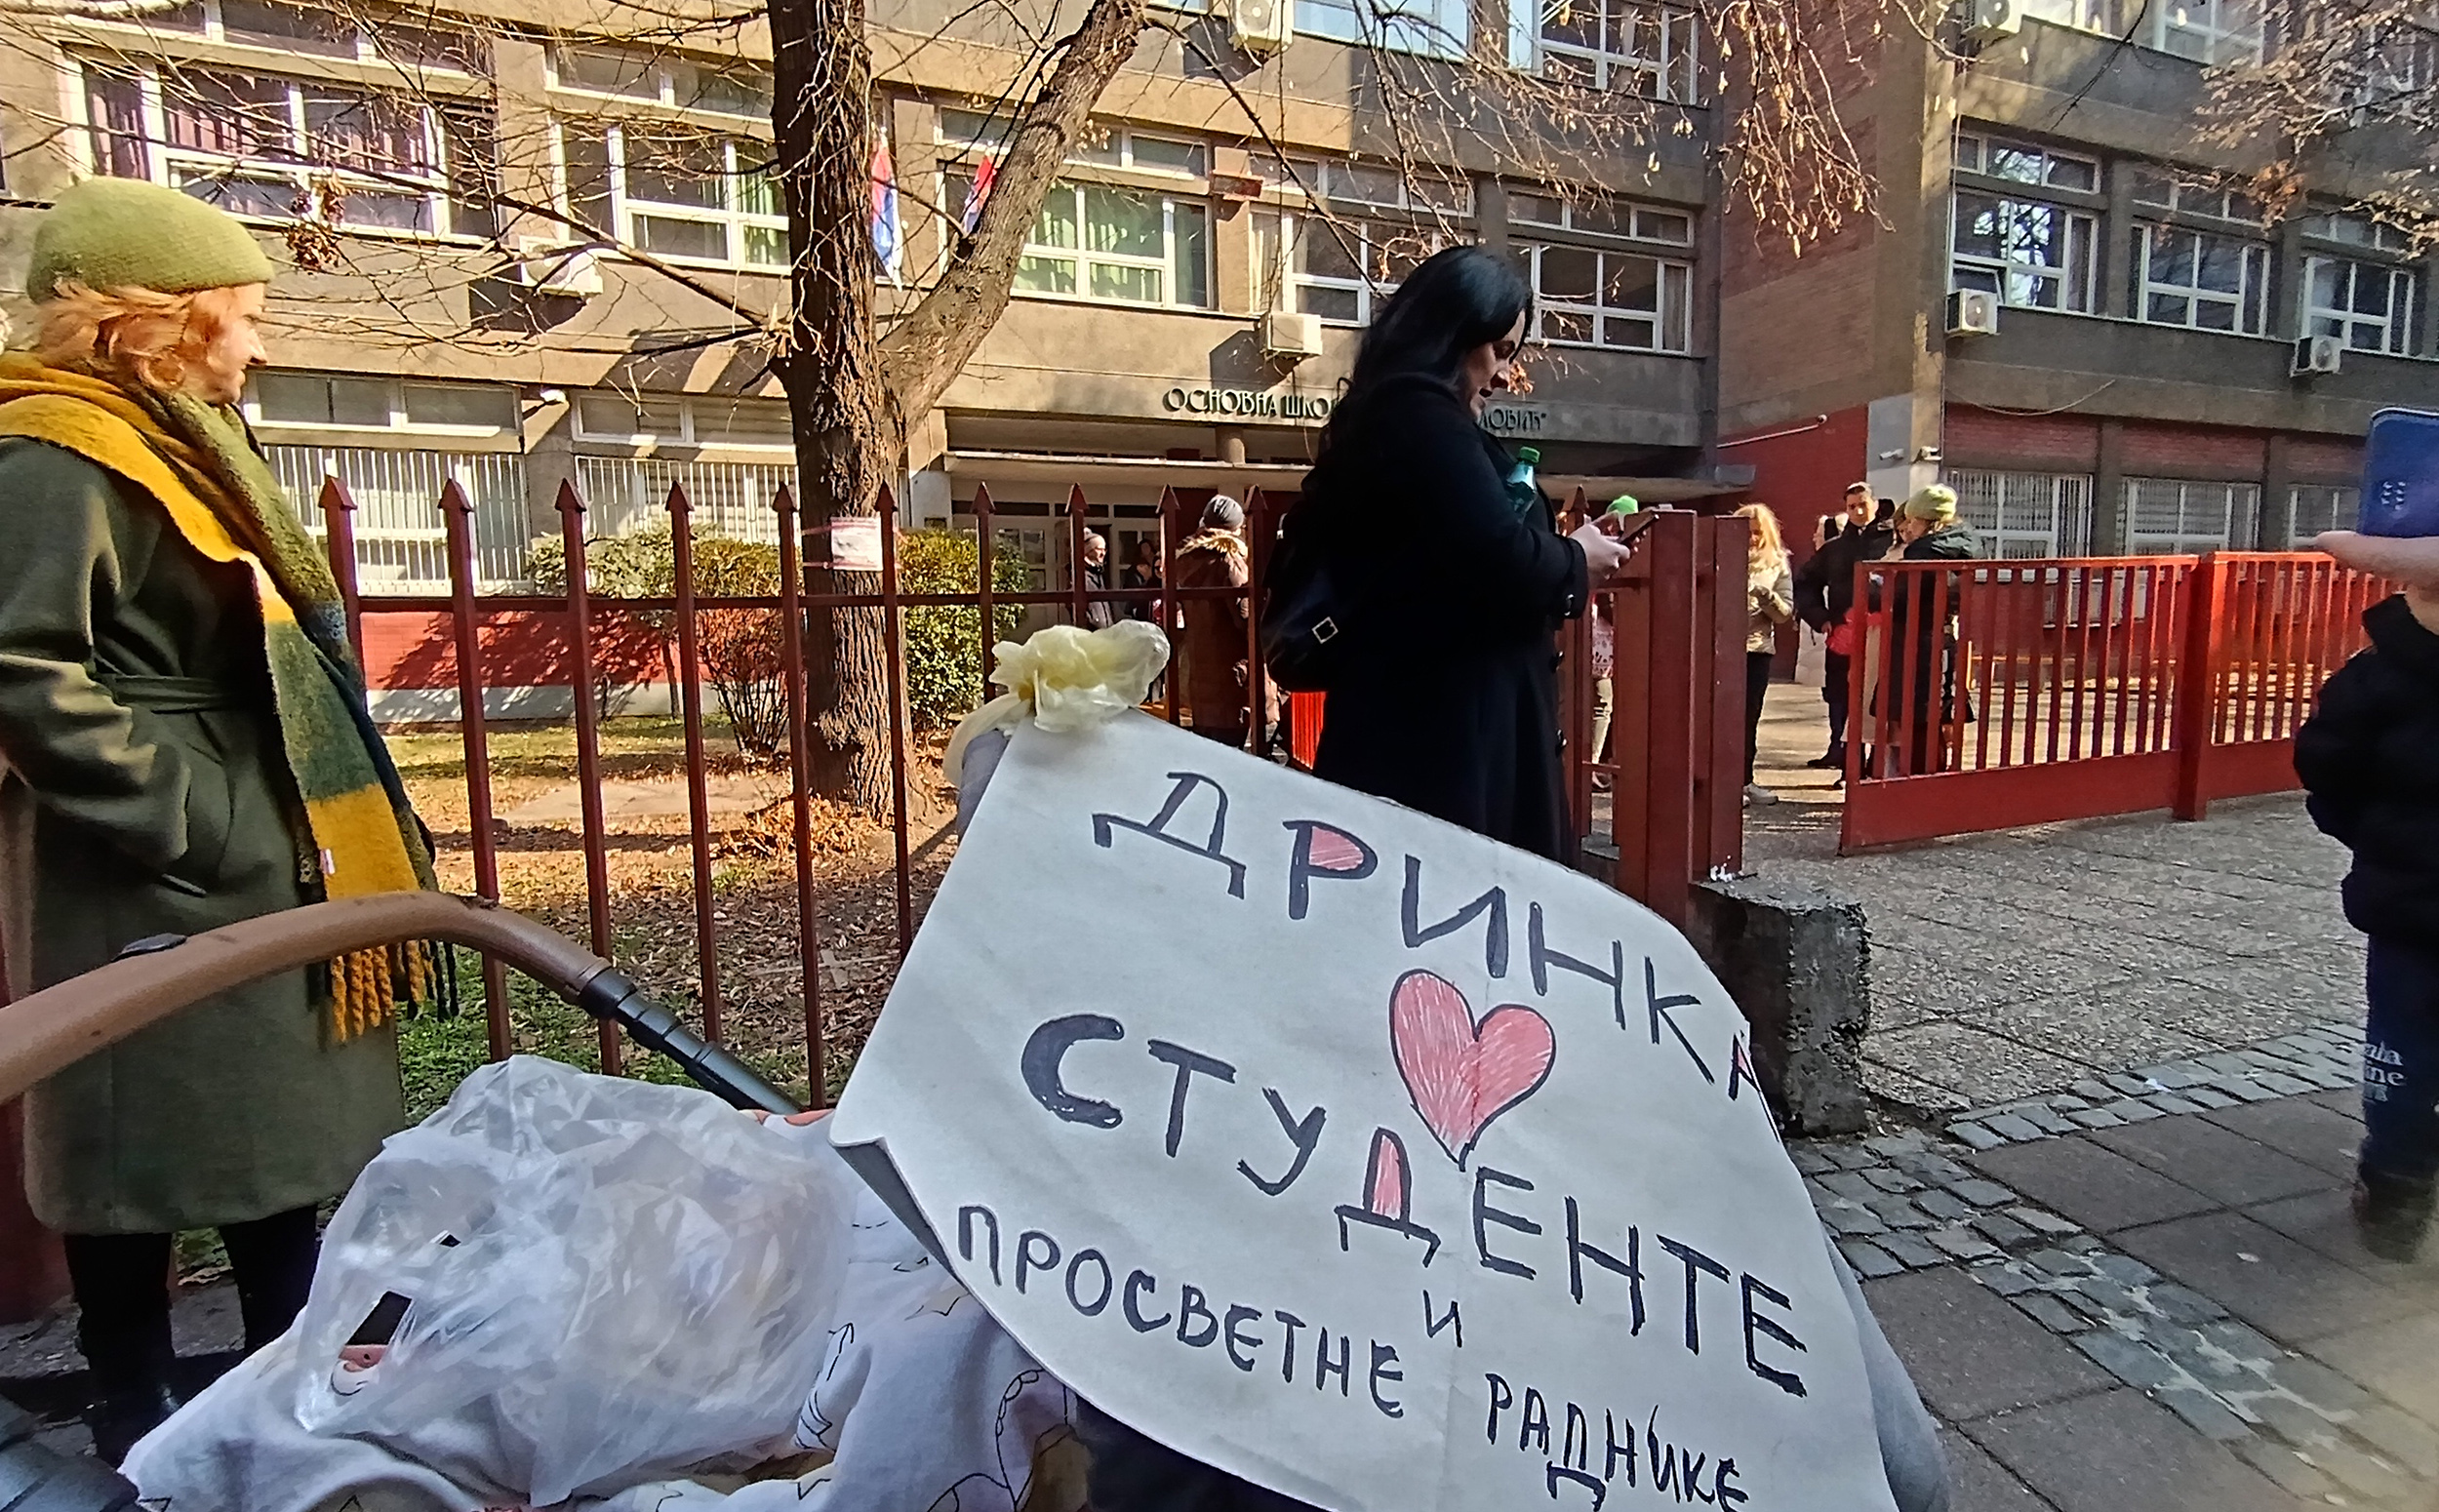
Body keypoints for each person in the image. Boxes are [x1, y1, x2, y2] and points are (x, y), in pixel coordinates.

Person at [0, 179, 440, 1459]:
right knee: (136, 1146)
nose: (258, 339)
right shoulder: (56, 453)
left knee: (266, 1140)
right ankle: (136, 1405)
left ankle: (282, 1394)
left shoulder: (178, 434)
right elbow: (22, 664)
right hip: (144, 861)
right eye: (240, 314)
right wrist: (189, 816)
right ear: (159, 321)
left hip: (259, 829)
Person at [1287, 245, 1631, 863]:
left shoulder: (1387, 418)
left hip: (1426, 730)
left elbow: (1457, 552)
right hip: (1448, 745)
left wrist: (1561, 551)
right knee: (1460, 902)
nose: (1503, 375)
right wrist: (1576, 558)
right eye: (1499, 350)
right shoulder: (1420, 418)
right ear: (1452, 334)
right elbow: (1497, 557)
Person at [2294, 525, 2439, 1261]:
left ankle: (2395, 1187)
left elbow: (2328, 767)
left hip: (2411, 897)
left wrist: (2375, 839)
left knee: (2403, 1039)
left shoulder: (2377, 674)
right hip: (2407, 888)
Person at [1867, 485, 1981, 777]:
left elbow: (1903, 598)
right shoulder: (1965, 543)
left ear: (1929, 521)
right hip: (1944, 638)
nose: (1908, 527)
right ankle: (1929, 781)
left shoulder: (1924, 551)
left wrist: (1877, 589)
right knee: (1934, 718)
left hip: (1916, 642)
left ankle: (1919, 785)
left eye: (1913, 520)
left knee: (1917, 718)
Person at [1794, 484, 1894, 774]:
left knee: (1879, 698)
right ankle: (1849, 765)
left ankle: (1877, 766)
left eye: (1863, 504)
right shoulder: (1835, 548)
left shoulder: (1893, 542)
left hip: (1883, 633)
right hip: (1842, 635)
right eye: (1852, 506)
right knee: (1840, 698)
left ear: (1875, 504)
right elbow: (1806, 583)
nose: (1859, 511)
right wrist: (1819, 617)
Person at [1173, 496, 1276, 751]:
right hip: (1234, 680)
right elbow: (1246, 619)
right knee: (1245, 758)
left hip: (1202, 677)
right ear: (1237, 527)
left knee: (1213, 756)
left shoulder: (1186, 562)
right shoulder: (1229, 560)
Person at [1738, 503, 1795, 807]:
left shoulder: (1777, 563)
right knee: (1720, 718)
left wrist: (1766, 596)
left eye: (1758, 533)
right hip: (1720, 649)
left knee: (1749, 718)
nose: (1752, 539)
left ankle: (1744, 781)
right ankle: (1722, 782)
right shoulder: (1719, 556)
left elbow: (1785, 614)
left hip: (1756, 649)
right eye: (1746, 533)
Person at [1079, 530, 1116, 630]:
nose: (1103, 553)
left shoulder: (1097, 573)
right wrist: (1091, 621)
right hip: (1091, 633)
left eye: (1104, 550)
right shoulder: (1081, 576)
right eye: (1099, 549)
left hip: (1104, 631)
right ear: (1088, 551)